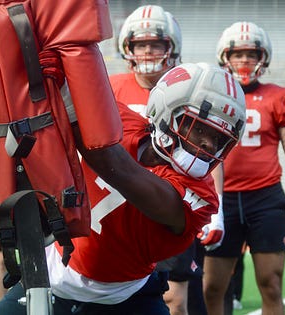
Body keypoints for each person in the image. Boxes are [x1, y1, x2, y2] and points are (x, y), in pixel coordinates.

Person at [0, 62, 247, 315]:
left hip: (125, 298)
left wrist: (67, 94)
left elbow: (117, 169)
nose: (208, 145)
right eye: (199, 128)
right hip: (52, 277)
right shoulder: (123, 123)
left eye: (219, 139)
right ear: (167, 112)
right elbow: (61, 95)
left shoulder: (202, 198)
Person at [111, 6, 223, 315]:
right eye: (140, 44)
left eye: (155, 43)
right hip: (116, 206)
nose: (147, 51)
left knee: (174, 298)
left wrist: (218, 211)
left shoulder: (189, 89)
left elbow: (209, 152)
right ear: (127, 48)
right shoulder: (110, 88)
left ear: (170, 46)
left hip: (169, 202)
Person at [202, 21, 285, 315]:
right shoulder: (213, 93)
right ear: (225, 56)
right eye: (237, 54)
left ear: (262, 58)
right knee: (212, 287)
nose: (244, 60)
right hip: (222, 199)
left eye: (250, 54)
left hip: (265, 199)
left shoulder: (278, 97)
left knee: (271, 283)